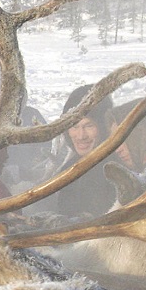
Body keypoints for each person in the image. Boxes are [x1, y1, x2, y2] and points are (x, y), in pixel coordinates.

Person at [50, 85, 114, 218]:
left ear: (104, 125)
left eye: (89, 125)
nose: (81, 136)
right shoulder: (70, 169)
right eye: (74, 126)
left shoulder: (113, 170)